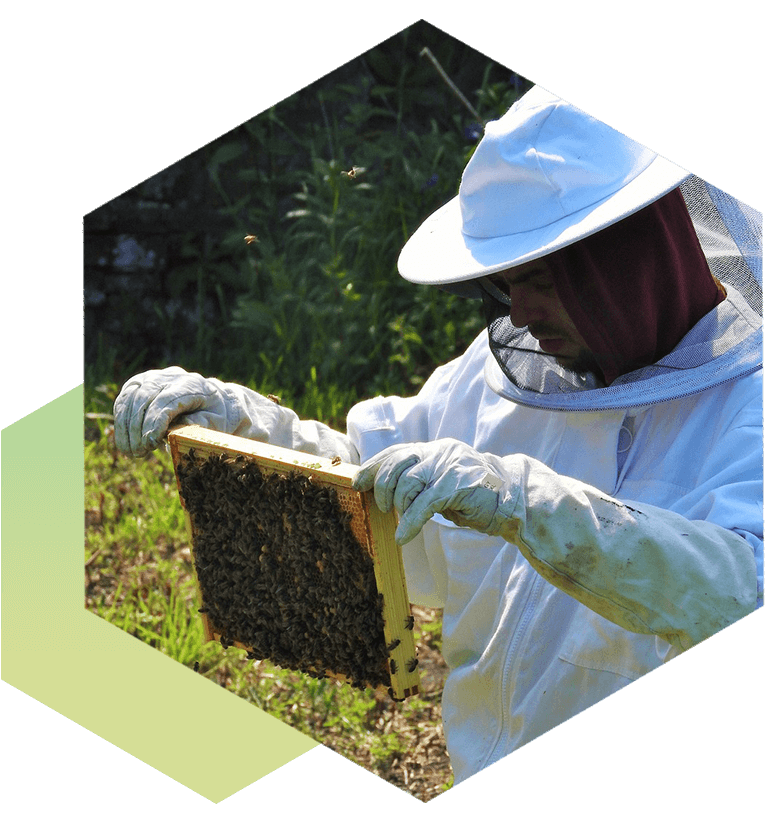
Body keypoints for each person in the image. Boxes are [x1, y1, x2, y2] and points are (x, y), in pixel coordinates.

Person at [113, 85, 763, 785]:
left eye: (540, 279)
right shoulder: (499, 378)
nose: (518, 310)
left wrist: (530, 506)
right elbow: (370, 482)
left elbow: (740, 589)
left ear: (626, 259)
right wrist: (244, 424)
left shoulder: (748, 408)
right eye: (507, 281)